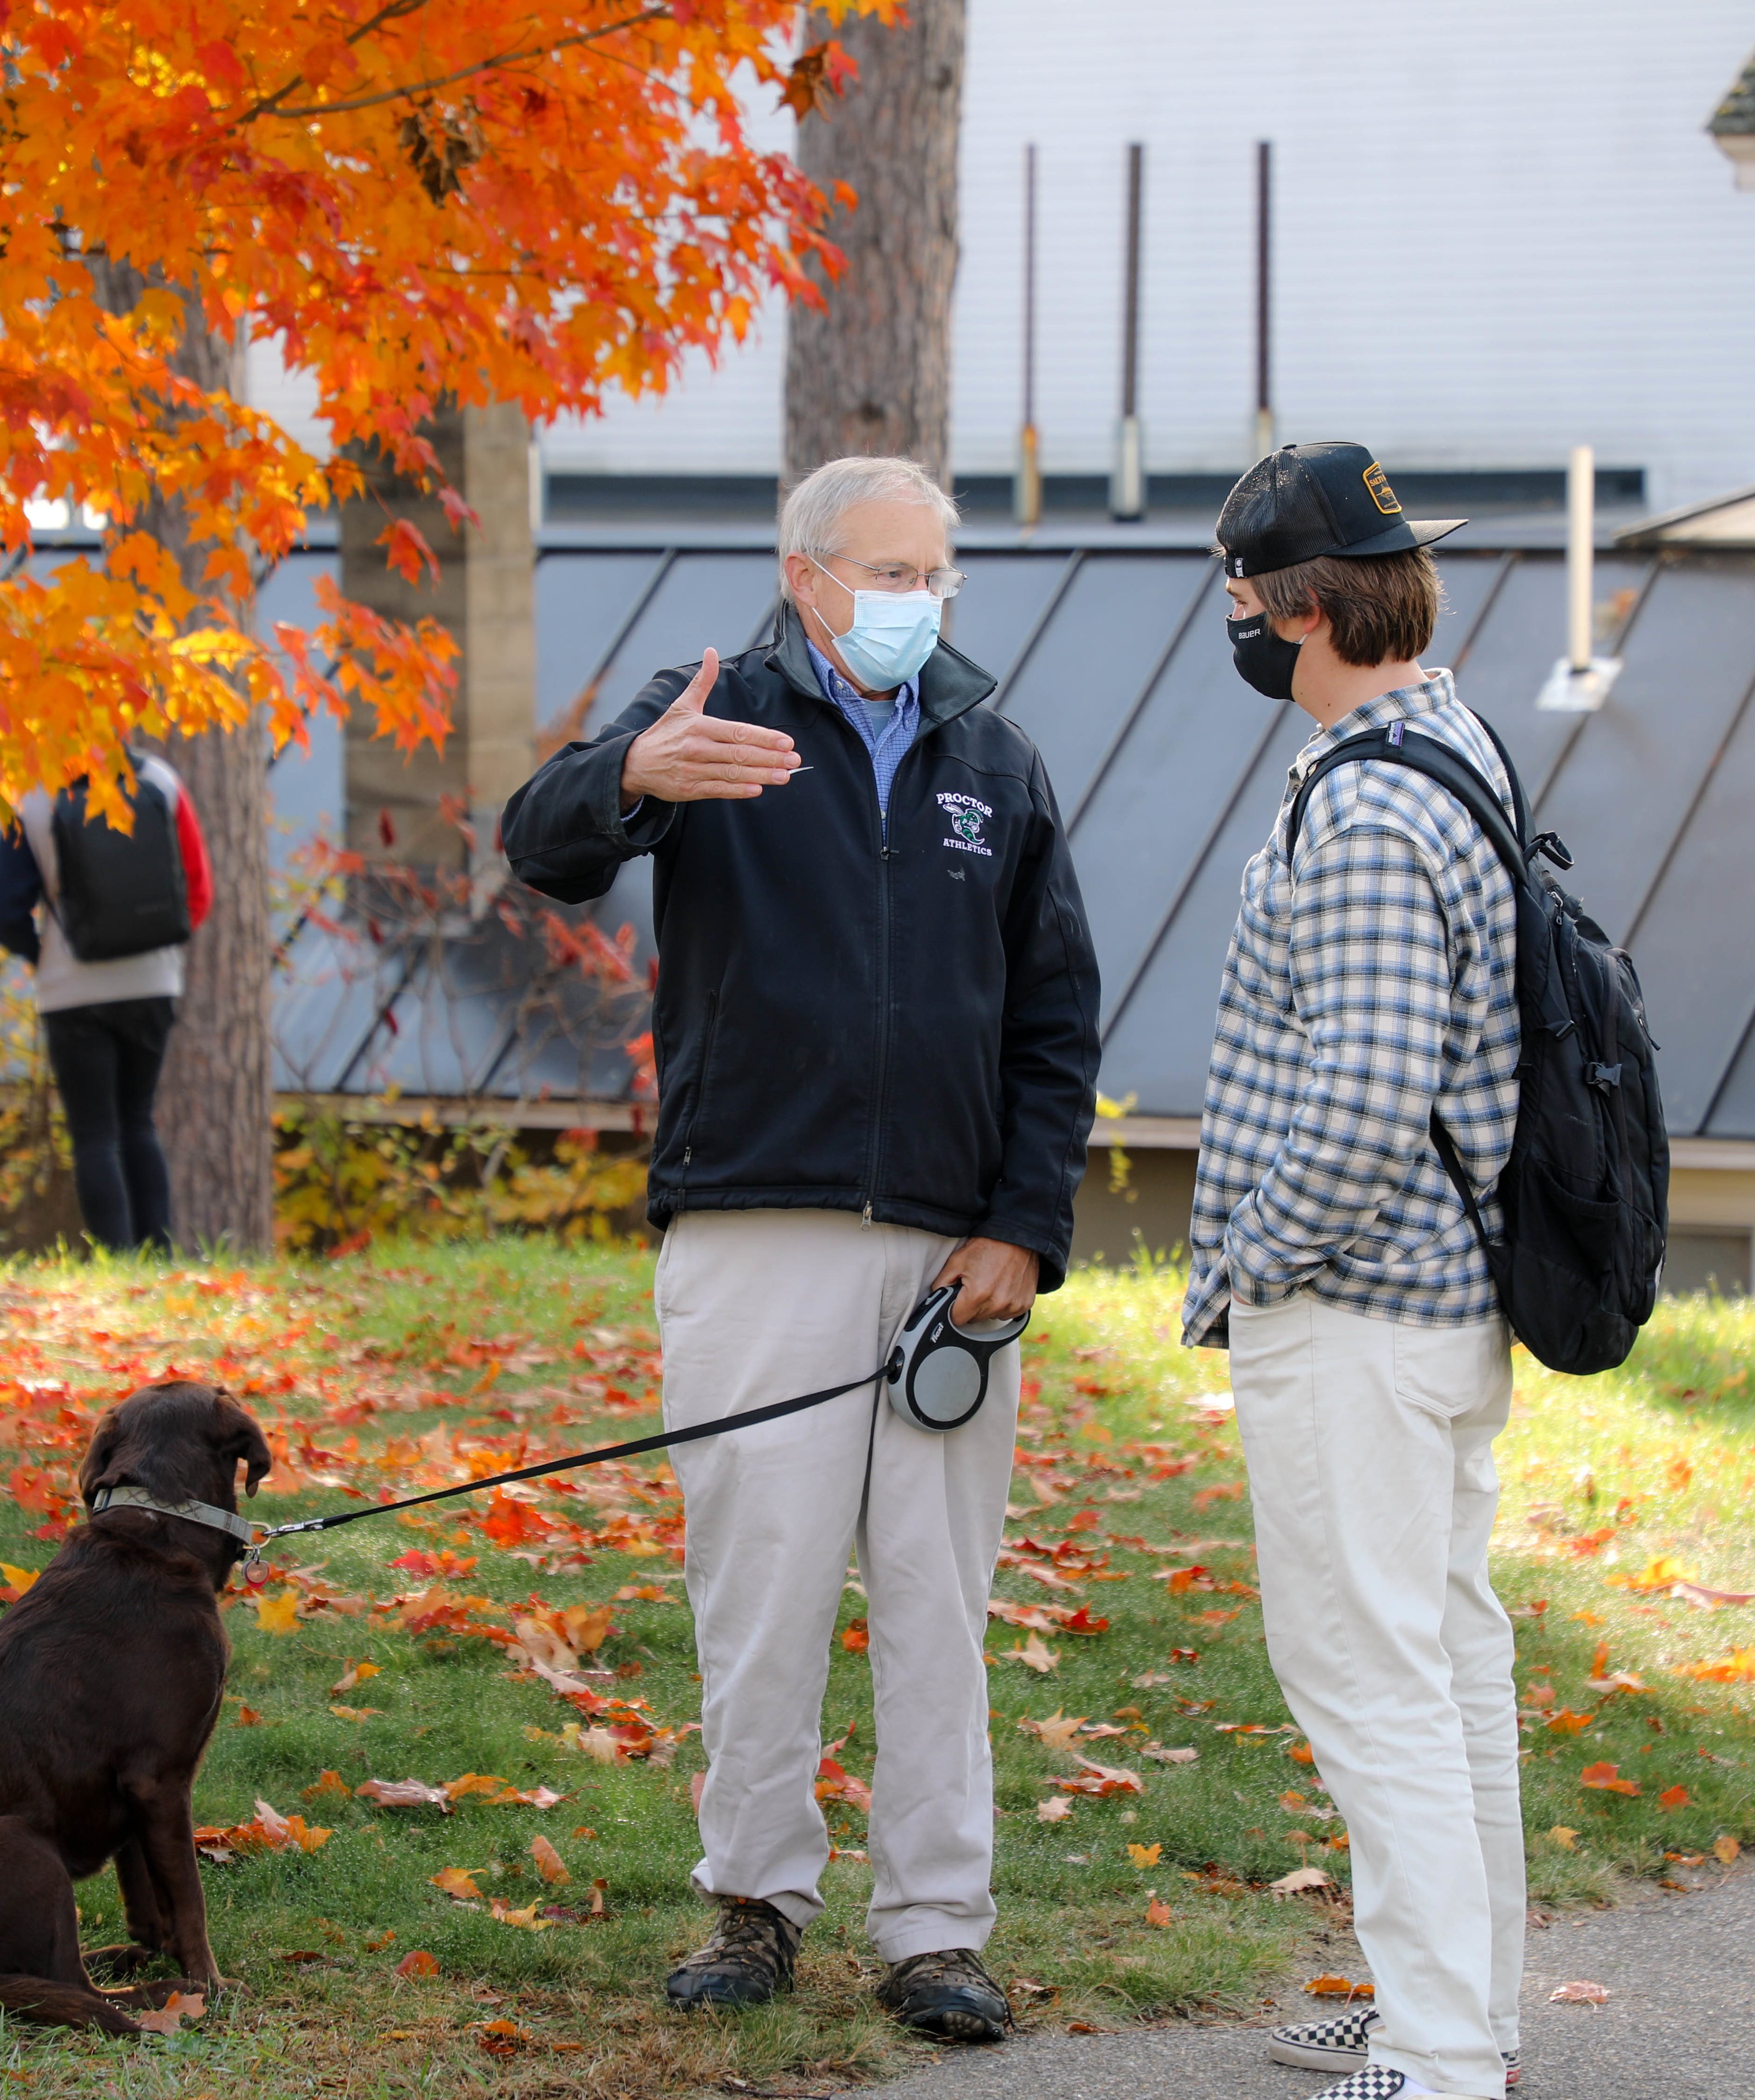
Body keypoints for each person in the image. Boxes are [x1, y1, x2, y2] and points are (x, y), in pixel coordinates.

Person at [501, 455, 1101, 2044]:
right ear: (806, 571)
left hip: (947, 1259)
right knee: (759, 1589)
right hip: (753, 1222)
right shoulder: (711, 714)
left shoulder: (996, 758)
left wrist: (1022, 1229)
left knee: (935, 1599)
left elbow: (1053, 1019)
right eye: (886, 572)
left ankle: (934, 1930)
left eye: (935, 573)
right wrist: (637, 769)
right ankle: (752, 1901)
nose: (916, 599)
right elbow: (540, 837)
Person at [1182, 443, 1524, 2100]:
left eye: (1242, 599)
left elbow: (1370, 1094)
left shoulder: (1374, 799)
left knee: (1372, 1677)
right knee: (1447, 1662)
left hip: (1361, 1311)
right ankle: (1451, 2007)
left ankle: (1440, 2053)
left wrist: (1257, 1261)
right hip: (1435, 1307)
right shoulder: (1437, 743)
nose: (1234, 626)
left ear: (1306, 607)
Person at [0, 750, 213, 1255]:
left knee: (94, 1132)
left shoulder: (34, 793)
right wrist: (154, 946)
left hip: (72, 988)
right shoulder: (161, 780)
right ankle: (159, 1256)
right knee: (138, 1119)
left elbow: (3, 906)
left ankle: (117, 1258)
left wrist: (41, 953)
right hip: (153, 982)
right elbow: (198, 890)